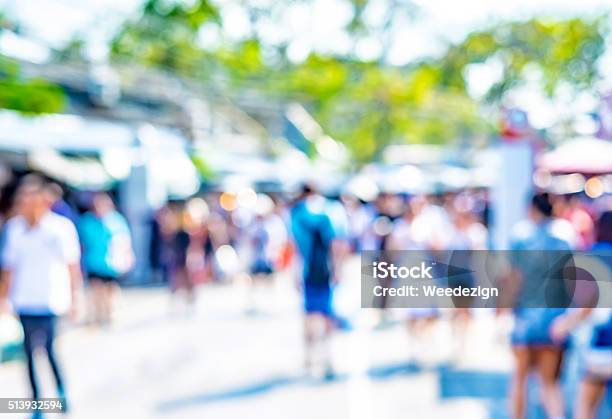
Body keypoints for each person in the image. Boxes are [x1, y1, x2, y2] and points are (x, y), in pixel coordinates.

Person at [0, 176, 82, 415]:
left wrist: (75, 298)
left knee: (48, 350)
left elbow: (72, 265)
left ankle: (60, 393)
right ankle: (37, 404)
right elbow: (8, 268)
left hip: (51, 299)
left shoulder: (60, 228)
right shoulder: (15, 229)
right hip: (24, 300)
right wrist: (4, 297)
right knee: (28, 354)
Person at [506, 192, 573, 419]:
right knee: (550, 383)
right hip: (555, 319)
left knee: (520, 379)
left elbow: (514, 279)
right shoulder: (565, 238)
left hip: (526, 319)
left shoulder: (521, 238)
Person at [291, 184, 339, 378]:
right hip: (323, 270)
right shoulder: (326, 215)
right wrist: (337, 269)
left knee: (310, 315)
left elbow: (295, 248)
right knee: (325, 315)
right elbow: (335, 244)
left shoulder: (297, 216)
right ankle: (326, 357)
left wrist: (294, 274)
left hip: (308, 271)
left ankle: (310, 358)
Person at [78, 192, 133, 325]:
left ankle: (109, 314)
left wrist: (127, 257)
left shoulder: (116, 220)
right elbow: (81, 242)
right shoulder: (87, 221)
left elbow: (124, 241)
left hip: (111, 263)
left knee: (110, 289)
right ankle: (97, 314)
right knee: (95, 288)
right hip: (93, 262)